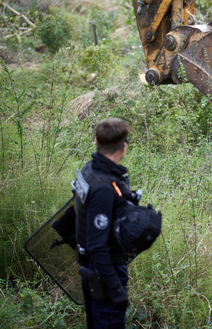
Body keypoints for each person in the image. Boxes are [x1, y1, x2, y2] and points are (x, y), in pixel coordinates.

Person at [74, 118, 135, 329]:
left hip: (92, 267)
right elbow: (97, 244)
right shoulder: (103, 188)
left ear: (97, 144)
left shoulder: (89, 169)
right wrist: (115, 287)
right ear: (123, 146)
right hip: (104, 270)